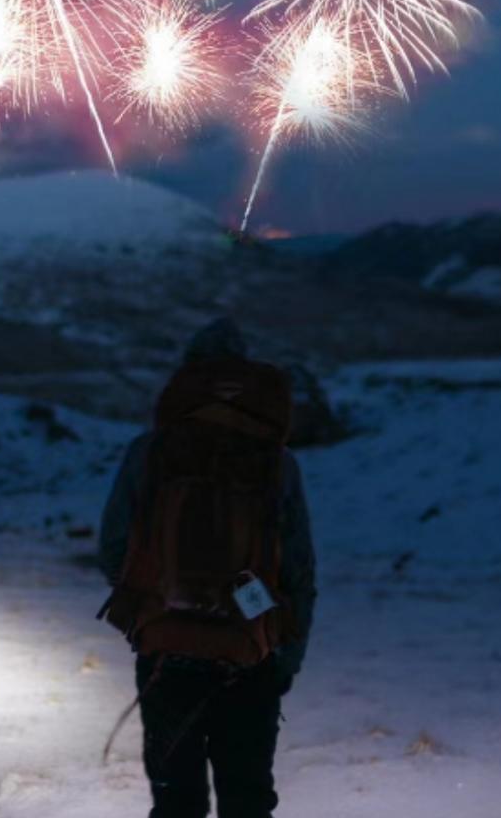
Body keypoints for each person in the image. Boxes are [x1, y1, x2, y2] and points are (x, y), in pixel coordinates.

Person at [99, 319, 317, 818]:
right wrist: (285, 656)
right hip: (250, 652)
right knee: (247, 799)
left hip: (165, 652)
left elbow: (112, 547)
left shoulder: (149, 452)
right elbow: (299, 571)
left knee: (177, 799)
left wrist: (152, 612)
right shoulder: (277, 462)